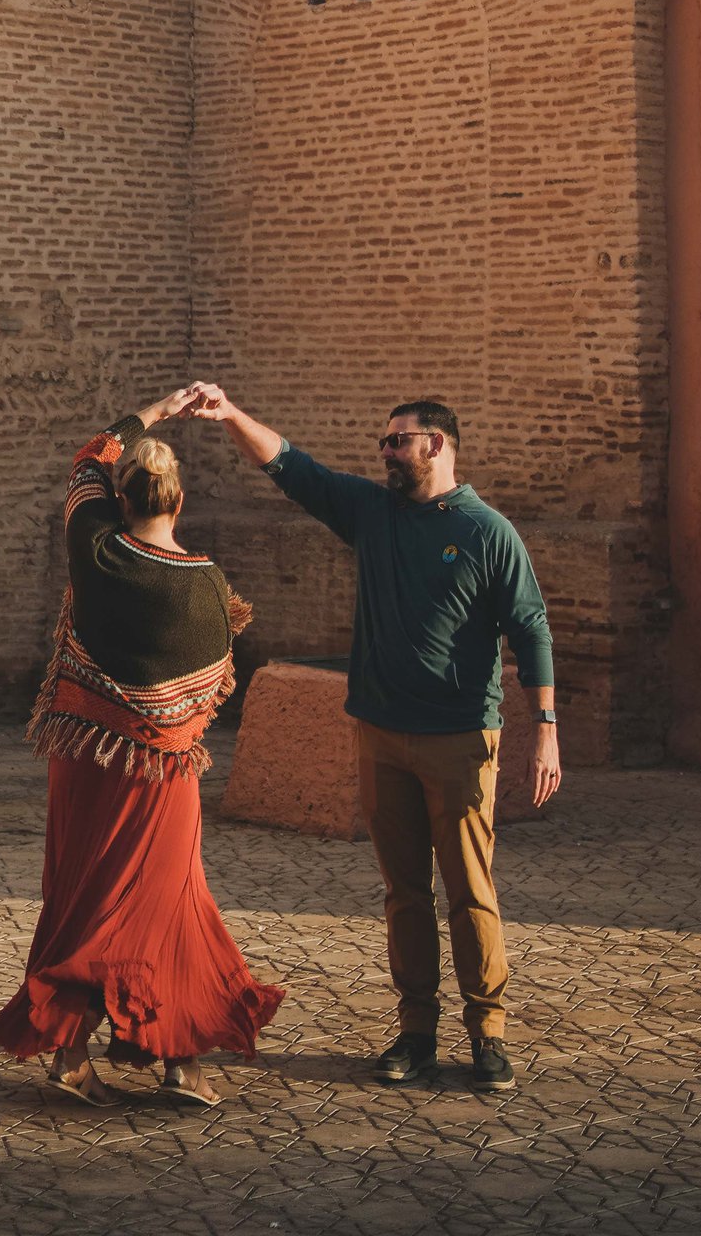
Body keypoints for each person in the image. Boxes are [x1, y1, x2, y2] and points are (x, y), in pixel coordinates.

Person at [187, 386, 558, 1095]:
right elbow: (294, 469)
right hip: (381, 736)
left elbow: (532, 631)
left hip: (460, 740)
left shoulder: (487, 532)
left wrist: (545, 732)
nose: (384, 452)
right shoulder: (373, 513)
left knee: (470, 892)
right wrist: (232, 415)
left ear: (437, 446)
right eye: (383, 441)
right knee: (403, 893)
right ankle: (416, 1032)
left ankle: (489, 1033)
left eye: (397, 441)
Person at [0, 388, 282, 1107]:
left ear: (121, 501)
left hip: (84, 762)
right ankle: (178, 1059)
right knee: (170, 905)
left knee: (79, 898)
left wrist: (156, 410)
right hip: (161, 773)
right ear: (178, 502)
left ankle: (74, 1051)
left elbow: (89, 456)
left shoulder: (94, 547)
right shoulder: (209, 587)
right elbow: (213, 689)